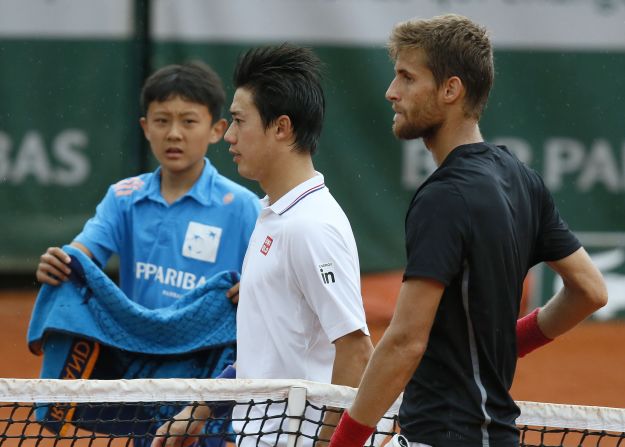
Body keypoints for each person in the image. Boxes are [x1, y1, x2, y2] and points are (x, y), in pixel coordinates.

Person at [328, 14, 608, 447]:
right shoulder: (522, 179)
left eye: (406, 77)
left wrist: (343, 443)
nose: (391, 92)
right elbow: (590, 290)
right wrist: (503, 347)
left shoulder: (444, 197)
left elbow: (403, 342)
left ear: (450, 90)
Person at [153, 44, 373, 447]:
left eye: (239, 121)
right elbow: (267, 349)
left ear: (282, 128)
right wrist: (200, 409)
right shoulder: (271, 214)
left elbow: (356, 351)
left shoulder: (311, 227)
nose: (230, 136)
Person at [35, 61, 260, 308]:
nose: (174, 133)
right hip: (136, 344)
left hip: (213, 346)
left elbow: (271, 281)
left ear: (216, 130)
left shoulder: (242, 206)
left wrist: (256, 288)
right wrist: (59, 263)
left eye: (189, 121)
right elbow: (79, 256)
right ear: (146, 128)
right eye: (162, 121)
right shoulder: (123, 197)